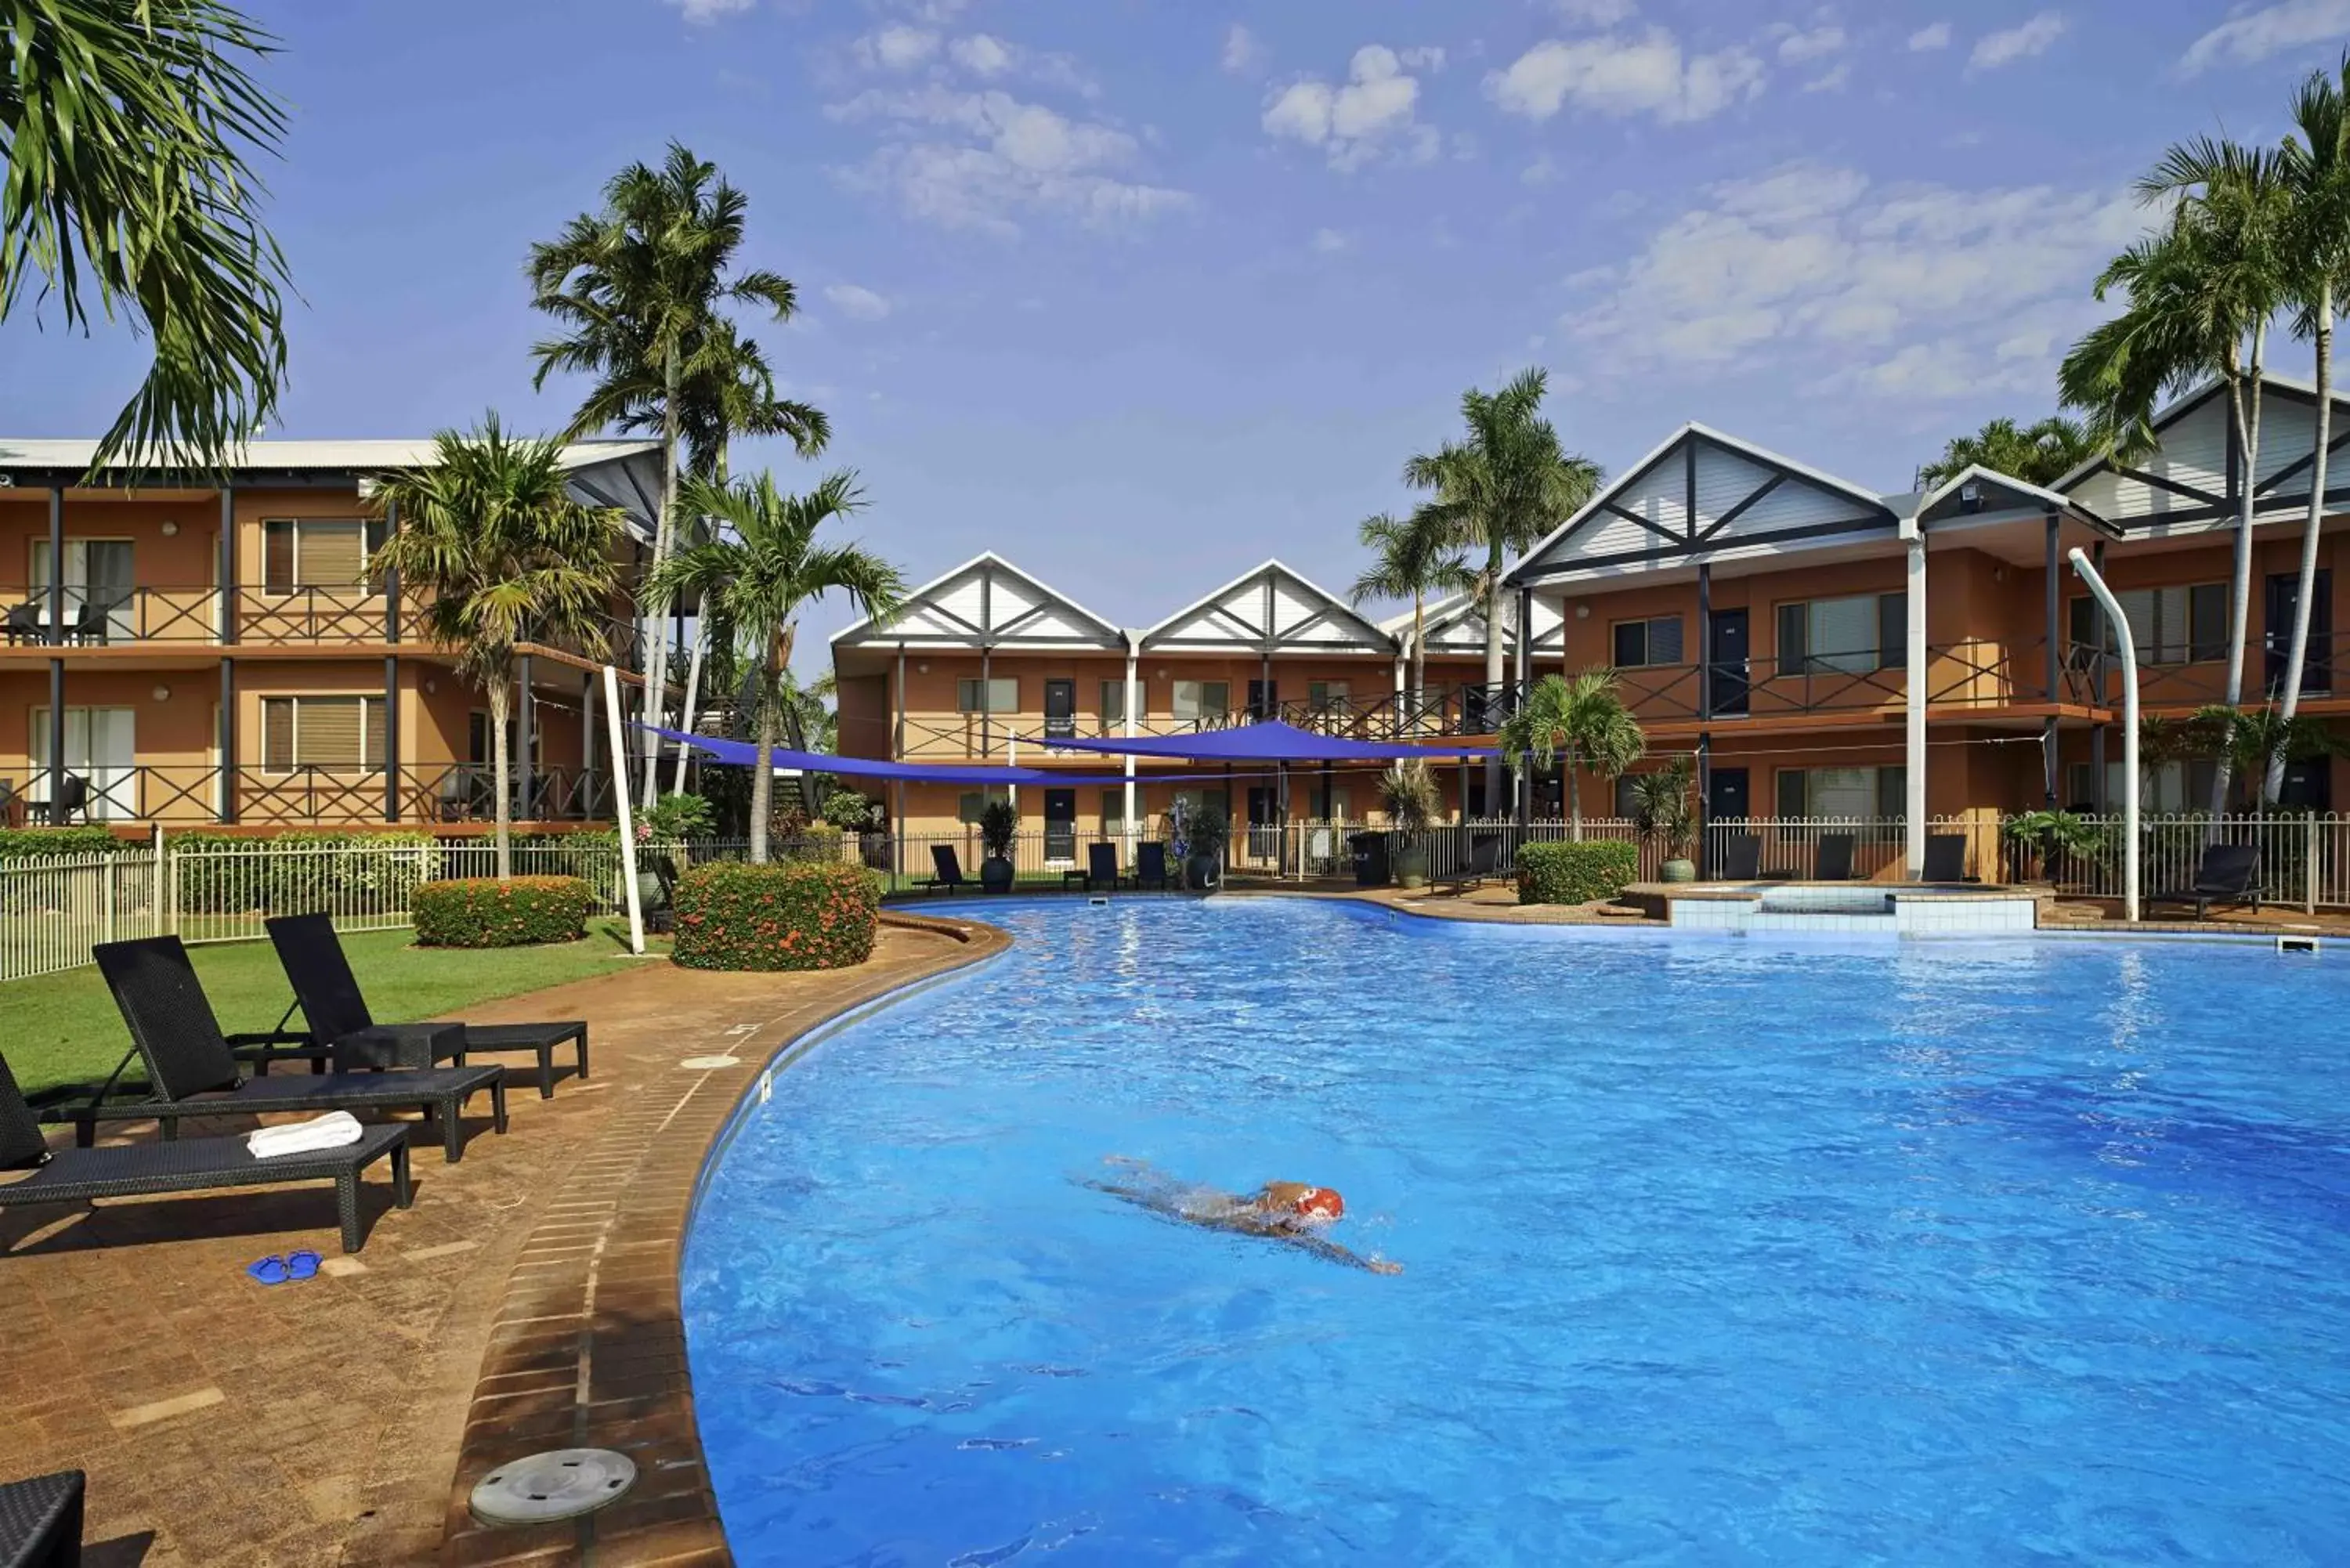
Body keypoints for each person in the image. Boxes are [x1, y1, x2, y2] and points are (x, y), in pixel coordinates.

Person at [1087, 1159, 1403, 1274]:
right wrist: (1365, 1265)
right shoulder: (1280, 1230)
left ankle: (1138, 1167)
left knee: (1177, 1188)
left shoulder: (1296, 1189)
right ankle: (1100, 1186)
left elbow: (1269, 1183)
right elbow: (1324, 1250)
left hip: (1223, 1198)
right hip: (1207, 1217)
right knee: (1151, 1203)